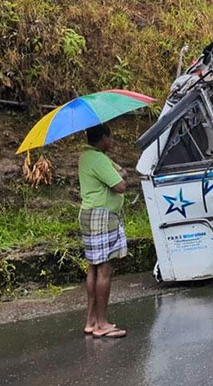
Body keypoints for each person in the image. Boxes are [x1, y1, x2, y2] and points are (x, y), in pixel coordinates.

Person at [78, 124, 128, 338]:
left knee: (93, 267)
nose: (113, 141)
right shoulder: (98, 159)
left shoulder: (89, 156)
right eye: (111, 137)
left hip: (90, 214)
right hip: (101, 216)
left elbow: (120, 172)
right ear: (103, 138)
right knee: (104, 270)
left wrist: (118, 173)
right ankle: (101, 323)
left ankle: (91, 320)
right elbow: (120, 184)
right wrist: (118, 176)